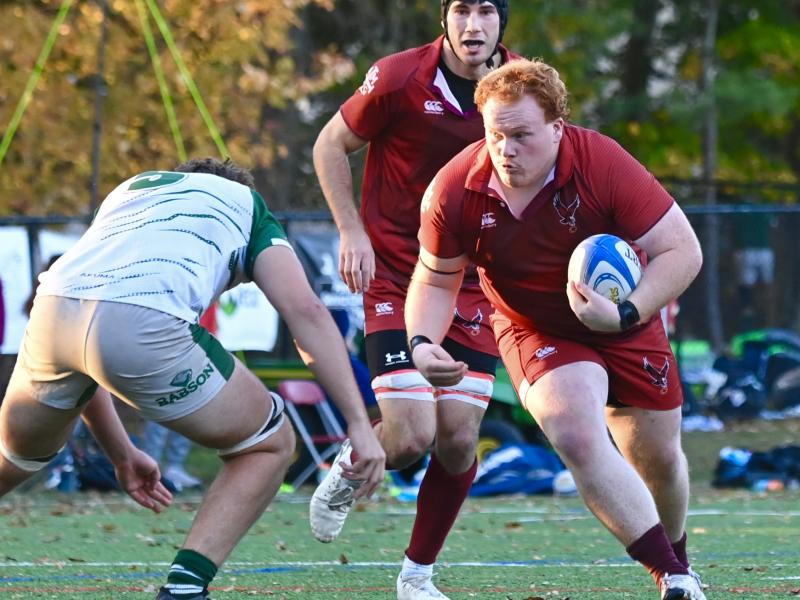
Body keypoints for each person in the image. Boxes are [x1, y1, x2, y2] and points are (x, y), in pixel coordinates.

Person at [0, 157, 385, 600]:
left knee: (17, 459)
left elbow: (91, 340)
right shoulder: (248, 206)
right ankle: (184, 590)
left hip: (51, 311)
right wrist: (358, 423)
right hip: (144, 320)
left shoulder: (134, 186)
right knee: (269, 442)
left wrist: (122, 453)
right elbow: (307, 313)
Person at [406, 59, 707, 600]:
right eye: (495, 134)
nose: (506, 149)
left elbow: (682, 251)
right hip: (535, 327)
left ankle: (678, 555)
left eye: (521, 135)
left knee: (658, 459)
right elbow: (434, 281)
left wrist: (626, 312)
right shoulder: (453, 189)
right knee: (574, 432)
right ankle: (674, 578)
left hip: (626, 320)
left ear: (557, 128)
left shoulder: (601, 161)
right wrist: (422, 343)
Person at [311, 2, 518, 598]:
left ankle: (416, 578)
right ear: (445, 17)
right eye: (461, 9)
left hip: (475, 284)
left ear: (503, 21)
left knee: (457, 440)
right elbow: (329, 144)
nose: (473, 25)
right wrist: (351, 231)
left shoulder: (521, 85)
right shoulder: (400, 77)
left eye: (486, 11)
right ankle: (349, 468)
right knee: (408, 438)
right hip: (397, 276)